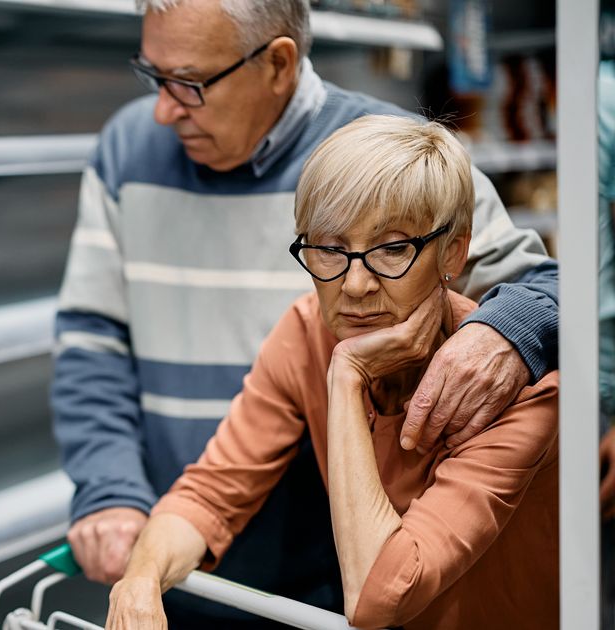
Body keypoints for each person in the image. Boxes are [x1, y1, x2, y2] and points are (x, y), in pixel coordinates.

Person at [52, 0, 558, 624]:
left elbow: (543, 290)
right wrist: (136, 565)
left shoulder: (406, 159)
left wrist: (515, 339)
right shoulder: (303, 327)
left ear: (278, 63)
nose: (355, 284)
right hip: (223, 576)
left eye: (190, 83)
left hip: (342, 577)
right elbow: (102, 352)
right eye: (327, 249)